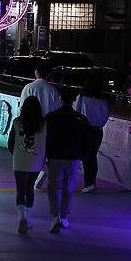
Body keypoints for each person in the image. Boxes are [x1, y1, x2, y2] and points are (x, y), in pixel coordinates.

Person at [45, 87, 89, 233]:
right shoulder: (81, 119)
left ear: (60, 99)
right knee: (68, 188)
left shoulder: (51, 117)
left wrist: (45, 156)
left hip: (55, 156)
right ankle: (63, 216)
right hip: (73, 157)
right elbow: (85, 140)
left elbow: (45, 138)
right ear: (74, 100)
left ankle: (54, 217)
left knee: (53, 187)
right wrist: (82, 156)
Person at [7, 96, 46, 234]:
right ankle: (28, 218)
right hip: (36, 160)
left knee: (20, 189)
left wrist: (16, 154)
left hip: (20, 161)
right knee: (30, 188)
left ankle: (21, 217)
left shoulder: (17, 122)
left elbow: (10, 143)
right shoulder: (43, 124)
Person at [19, 60, 60, 189]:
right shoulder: (52, 90)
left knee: (31, 152)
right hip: (47, 126)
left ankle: (35, 175)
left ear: (36, 72)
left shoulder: (29, 88)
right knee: (44, 151)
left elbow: (22, 108)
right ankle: (41, 173)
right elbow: (56, 109)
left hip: (31, 125)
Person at [72, 76, 110, 193]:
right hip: (97, 131)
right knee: (91, 156)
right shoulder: (103, 101)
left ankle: (85, 182)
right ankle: (90, 182)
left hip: (84, 129)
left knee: (83, 156)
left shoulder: (82, 98)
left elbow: (76, 111)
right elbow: (105, 116)